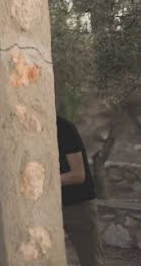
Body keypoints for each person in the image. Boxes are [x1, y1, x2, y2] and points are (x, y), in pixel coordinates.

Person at [57, 114, 103, 266]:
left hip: (78, 205)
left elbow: (78, 175)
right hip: (52, 205)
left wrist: (46, 181)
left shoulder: (64, 127)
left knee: (91, 262)